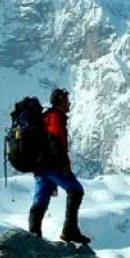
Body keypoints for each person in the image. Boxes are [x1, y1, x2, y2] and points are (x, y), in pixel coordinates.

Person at [28, 88, 91, 244]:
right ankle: (70, 230)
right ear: (61, 101)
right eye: (67, 100)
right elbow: (56, 141)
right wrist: (64, 164)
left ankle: (34, 236)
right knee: (76, 190)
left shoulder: (45, 117)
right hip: (51, 165)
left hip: (39, 166)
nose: (69, 103)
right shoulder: (56, 117)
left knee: (40, 199)